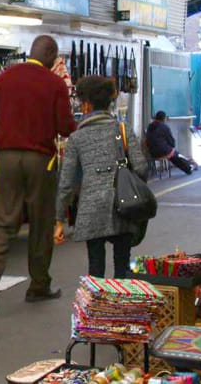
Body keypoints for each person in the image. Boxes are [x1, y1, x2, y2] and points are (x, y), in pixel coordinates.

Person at [0, 35, 75, 316]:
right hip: (40, 160)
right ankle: (38, 285)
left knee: (4, 220)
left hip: (7, 158)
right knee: (41, 223)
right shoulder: (54, 84)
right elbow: (65, 126)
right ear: (51, 56)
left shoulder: (6, 77)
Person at [55, 77, 148, 278]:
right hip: (123, 205)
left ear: (86, 104)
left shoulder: (77, 138)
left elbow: (66, 182)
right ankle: (121, 303)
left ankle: (99, 306)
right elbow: (141, 167)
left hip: (91, 208)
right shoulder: (122, 129)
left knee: (95, 268)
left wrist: (59, 219)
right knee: (122, 266)